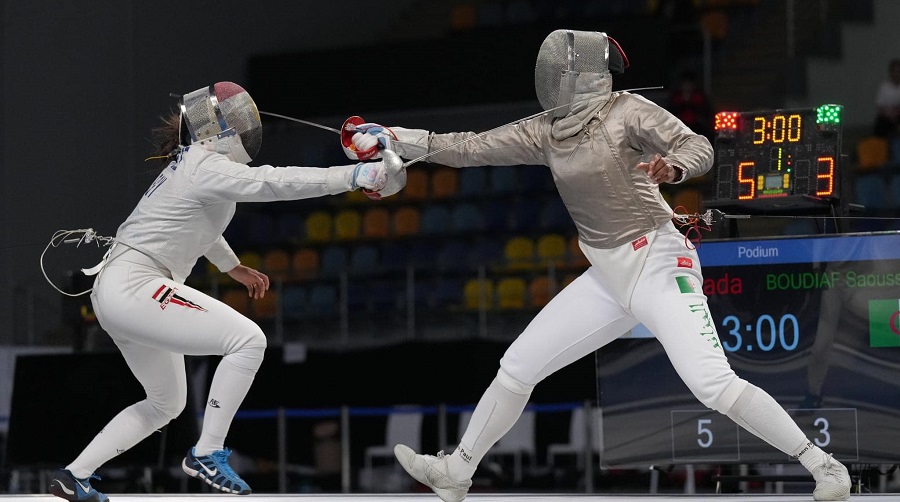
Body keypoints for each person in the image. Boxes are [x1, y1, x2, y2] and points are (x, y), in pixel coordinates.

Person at [347, 30, 852, 501]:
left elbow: (697, 146)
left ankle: (824, 466)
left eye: (555, 70)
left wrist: (672, 167)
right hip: (607, 278)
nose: (548, 78)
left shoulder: (628, 110)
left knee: (712, 384)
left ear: (577, 75)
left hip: (656, 261)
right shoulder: (545, 131)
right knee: (517, 368)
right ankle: (457, 473)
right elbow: (466, 147)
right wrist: (394, 136)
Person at [47, 81, 400, 502]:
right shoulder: (205, 166)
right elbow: (273, 183)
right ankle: (207, 452)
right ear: (216, 129)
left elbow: (200, 224)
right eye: (234, 120)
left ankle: (74, 475)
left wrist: (232, 267)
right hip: (137, 285)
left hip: (119, 292)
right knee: (248, 340)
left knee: (166, 403)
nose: (243, 126)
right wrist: (355, 175)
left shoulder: (192, 165)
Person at [667, 69, 714, 141]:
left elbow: (705, 113)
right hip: (680, 127)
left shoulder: (699, 97)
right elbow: (671, 112)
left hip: (697, 127)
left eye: (689, 84)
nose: (687, 86)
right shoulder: (676, 97)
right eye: (685, 84)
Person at [874, 58, 900, 138]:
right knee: (880, 126)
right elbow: (880, 105)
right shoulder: (884, 87)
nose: (897, 74)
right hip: (886, 116)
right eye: (895, 71)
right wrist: (889, 114)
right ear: (891, 72)